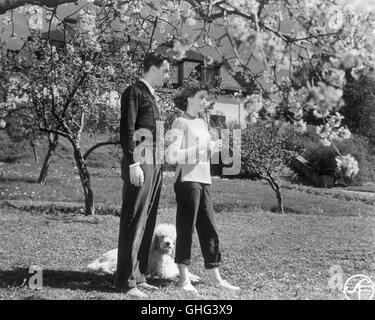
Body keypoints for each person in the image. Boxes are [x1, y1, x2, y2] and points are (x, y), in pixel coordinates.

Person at [165, 82, 240, 294]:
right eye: (202, 98)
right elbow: (171, 157)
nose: (205, 102)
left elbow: (201, 153)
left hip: (204, 180)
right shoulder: (180, 122)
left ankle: (215, 277)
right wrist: (202, 146)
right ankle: (184, 279)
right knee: (186, 227)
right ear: (189, 99)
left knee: (209, 229)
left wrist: (212, 148)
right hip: (187, 180)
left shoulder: (203, 123)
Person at [115, 52, 170, 298]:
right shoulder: (134, 91)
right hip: (141, 159)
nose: (168, 76)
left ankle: (139, 275)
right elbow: (127, 128)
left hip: (155, 162)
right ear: (153, 68)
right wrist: (132, 163)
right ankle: (125, 282)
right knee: (134, 218)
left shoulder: (151, 95)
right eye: (166, 70)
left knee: (147, 219)